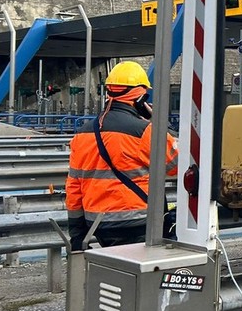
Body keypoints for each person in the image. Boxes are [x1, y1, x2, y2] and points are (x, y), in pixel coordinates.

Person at [66, 61, 178, 251]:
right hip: (137, 221)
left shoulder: (83, 134)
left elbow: (74, 187)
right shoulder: (145, 132)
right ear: (140, 97)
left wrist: (77, 234)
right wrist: (161, 124)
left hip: (98, 224)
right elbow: (176, 166)